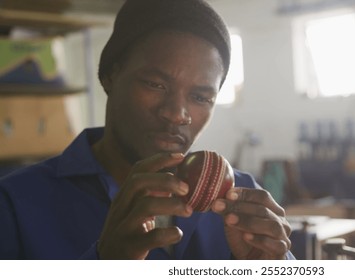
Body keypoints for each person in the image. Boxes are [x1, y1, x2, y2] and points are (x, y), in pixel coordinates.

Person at [0, 0, 293, 260]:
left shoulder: (241, 200)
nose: (176, 114)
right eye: (156, 84)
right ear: (111, 75)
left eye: (200, 97)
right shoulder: (15, 204)